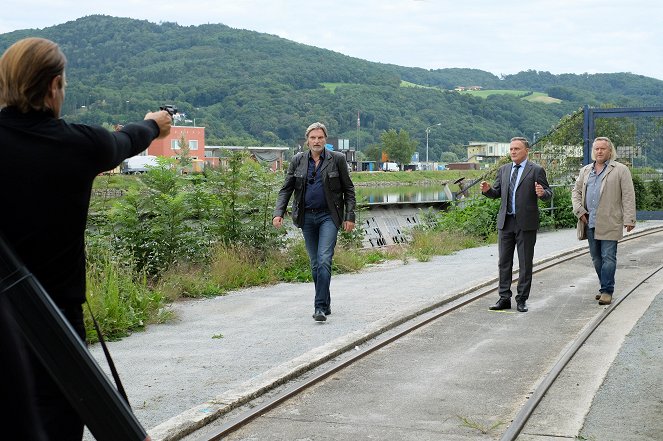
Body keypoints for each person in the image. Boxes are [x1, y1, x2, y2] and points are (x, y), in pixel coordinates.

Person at [0, 37, 172, 440]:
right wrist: (155, 124)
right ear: (54, 86)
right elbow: (126, 139)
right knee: (58, 421)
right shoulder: (79, 145)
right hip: (56, 324)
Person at [273, 122, 356, 322]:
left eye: (320, 137)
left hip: (329, 216)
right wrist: (279, 212)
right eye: (313, 138)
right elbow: (286, 189)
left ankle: (319, 307)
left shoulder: (337, 160)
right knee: (315, 263)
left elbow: (349, 190)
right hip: (306, 217)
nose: (316, 141)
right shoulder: (297, 160)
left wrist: (349, 216)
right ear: (307, 141)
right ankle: (325, 302)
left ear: (325, 139)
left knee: (324, 259)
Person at [480, 137, 552, 312]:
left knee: (525, 262)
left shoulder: (536, 170)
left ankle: (521, 299)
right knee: (504, 262)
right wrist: (488, 191)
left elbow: (548, 193)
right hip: (506, 222)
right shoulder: (504, 170)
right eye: (511, 149)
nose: (513, 152)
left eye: (517, 149)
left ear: (526, 150)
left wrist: (542, 193)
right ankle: (504, 297)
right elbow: (497, 193)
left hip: (526, 223)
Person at [571, 137, 636, 305]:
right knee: (596, 258)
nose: (599, 151)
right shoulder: (585, 170)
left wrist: (629, 218)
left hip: (610, 220)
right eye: (596, 149)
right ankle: (604, 286)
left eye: (602, 149)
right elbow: (576, 192)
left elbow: (628, 195)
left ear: (609, 151)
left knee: (608, 256)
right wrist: (579, 210)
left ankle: (607, 290)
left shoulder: (620, 170)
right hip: (589, 221)